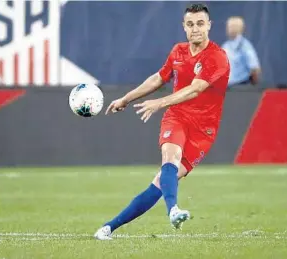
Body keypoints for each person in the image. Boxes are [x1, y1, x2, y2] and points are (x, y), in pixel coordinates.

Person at [94, 3, 230, 240]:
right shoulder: (178, 51)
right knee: (170, 157)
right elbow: (158, 78)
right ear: (184, 27)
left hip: (204, 130)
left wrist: (159, 103)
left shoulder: (217, 57)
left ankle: (108, 227)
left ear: (209, 25)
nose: (195, 29)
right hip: (176, 116)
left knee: (160, 182)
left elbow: (195, 89)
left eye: (200, 23)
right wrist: (126, 98)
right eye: (190, 24)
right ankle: (173, 211)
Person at [221, 16, 261, 87]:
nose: (228, 29)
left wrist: (253, 88)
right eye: (228, 26)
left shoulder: (245, 46)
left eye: (232, 26)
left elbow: (254, 68)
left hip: (241, 88)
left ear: (239, 28)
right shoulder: (225, 46)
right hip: (227, 89)